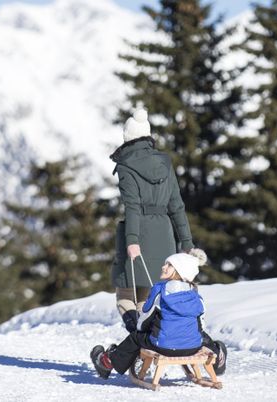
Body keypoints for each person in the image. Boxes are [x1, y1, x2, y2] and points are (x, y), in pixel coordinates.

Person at [109, 108, 195, 333]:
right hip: (164, 234)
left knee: (125, 295)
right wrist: (186, 242)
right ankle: (148, 344)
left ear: (127, 137)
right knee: (150, 294)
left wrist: (132, 240)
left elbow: (133, 207)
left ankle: (138, 336)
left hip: (138, 233)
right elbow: (176, 205)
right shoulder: (165, 163)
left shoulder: (126, 165)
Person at [90, 253, 218, 378]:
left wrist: (140, 330)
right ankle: (219, 358)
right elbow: (200, 324)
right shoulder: (196, 296)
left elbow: (146, 317)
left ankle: (106, 362)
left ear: (179, 270)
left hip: (163, 347)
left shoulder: (160, 291)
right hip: (192, 348)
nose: (163, 267)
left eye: (169, 265)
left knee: (136, 337)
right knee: (201, 335)